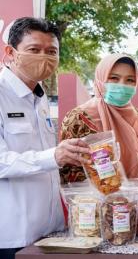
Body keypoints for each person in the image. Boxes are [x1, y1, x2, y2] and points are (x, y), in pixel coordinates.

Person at [0, 17, 90, 258]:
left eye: (52, 51)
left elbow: (46, 158)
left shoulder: (39, 97)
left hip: (49, 232)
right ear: (10, 52)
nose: (44, 57)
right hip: (12, 234)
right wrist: (54, 156)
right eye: (34, 50)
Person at [60, 54, 138, 182]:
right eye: (114, 78)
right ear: (100, 79)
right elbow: (67, 168)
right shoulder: (78, 118)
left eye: (130, 80)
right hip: (95, 198)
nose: (122, 85)